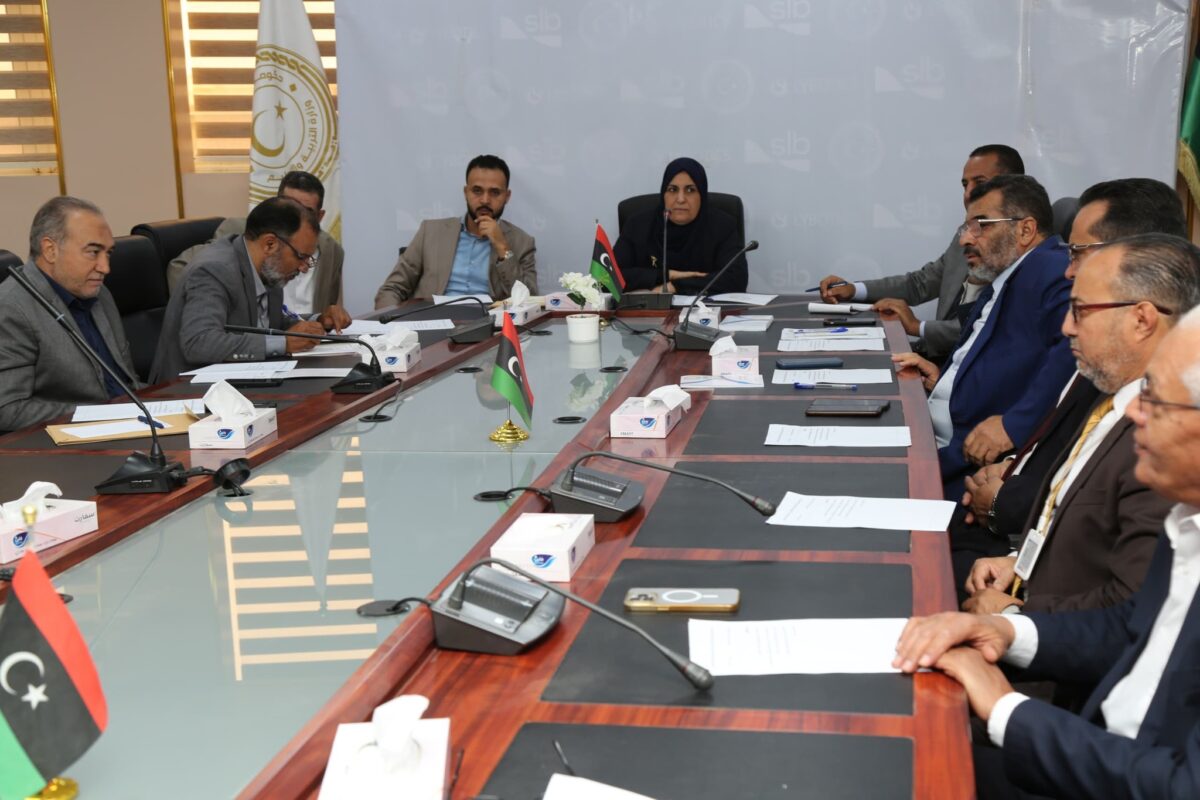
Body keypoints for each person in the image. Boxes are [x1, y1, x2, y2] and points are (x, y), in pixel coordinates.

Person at [893, 305, 1200, 800]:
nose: (1133, 411)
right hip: (1096, 747)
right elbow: (1130, 629)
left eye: (1158, 399)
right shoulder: (1187, 516)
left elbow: (1182, 786)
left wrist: (1005, 709)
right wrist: (1006, 630)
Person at [945, 178, 1189, 595]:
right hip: (1017, 546)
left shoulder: (1162, 410)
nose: (1067, 268)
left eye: (1077, 252)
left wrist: (1013, 617)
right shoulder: (1110, 363)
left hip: (1040, 583)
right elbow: (1064, 460)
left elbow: (1127, 602)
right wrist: (1011, 469)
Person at [919, 175, 1074, 499]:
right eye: (966, 227)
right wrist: (946, 379)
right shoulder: (1011, 273)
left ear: (1025, 230)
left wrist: (1014, 425)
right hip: (937, 434)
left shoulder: (1053, 269)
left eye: (981, 226)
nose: (965, 239)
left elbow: (1074, 349)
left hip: (959, 462)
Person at [818, 145, 1025, 361]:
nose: (968, 193)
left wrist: (918, 326)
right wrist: (854, 290)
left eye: (980, 183)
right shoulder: (966, 233)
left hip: (965, 366)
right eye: (965, 185)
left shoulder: (1017, 247)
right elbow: (920, 284)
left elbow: (989, 326)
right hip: (933, 356)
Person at [150, 197, 351, 382]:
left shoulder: (268, 268)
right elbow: (199, 342)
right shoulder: (215, 270)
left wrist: (318, 322)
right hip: (186, 392)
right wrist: (283, 343)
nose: (304, 267)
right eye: (301, 257)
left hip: (240, 381)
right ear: (270, 244)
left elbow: (268, 324)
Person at [0, 197, 137, 431]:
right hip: (71, 439)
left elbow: (125, 381)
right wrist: (102, 415)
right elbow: (8, 409)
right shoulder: (11, 307)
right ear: (50, 250)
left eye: (108, 253)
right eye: (93, 252)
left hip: (132, 422)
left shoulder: (100, 293)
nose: (105, 267)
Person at [168, 170, 344, 315]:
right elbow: (181, 267)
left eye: (306, 212)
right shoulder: (243, 231)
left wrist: (319, 320)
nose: (295, 217)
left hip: (300, 336)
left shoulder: (332, 250)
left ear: (319, 216)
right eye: (289, 206)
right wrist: (210, 309)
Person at [374, 155, 537, 307]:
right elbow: (391, 289)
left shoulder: (522, 242)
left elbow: (530, 302)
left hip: (488, 323)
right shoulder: (430, 232)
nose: (485, 200)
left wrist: (502, 247)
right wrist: (396, 323)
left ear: (507, 196)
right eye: (477, 191)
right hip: (433, 320)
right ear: (466, 192)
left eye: (495, 192)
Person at [612, 157, 748, 295]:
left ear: (701, 195)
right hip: (648, 308)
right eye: (672, 189)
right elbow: (608, 277)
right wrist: (666, 275)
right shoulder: (637, 225)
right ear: (663, 194)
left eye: (690, 190)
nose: (681, 199)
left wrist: (675, 286)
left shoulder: (722, 226)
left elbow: (737, 279)